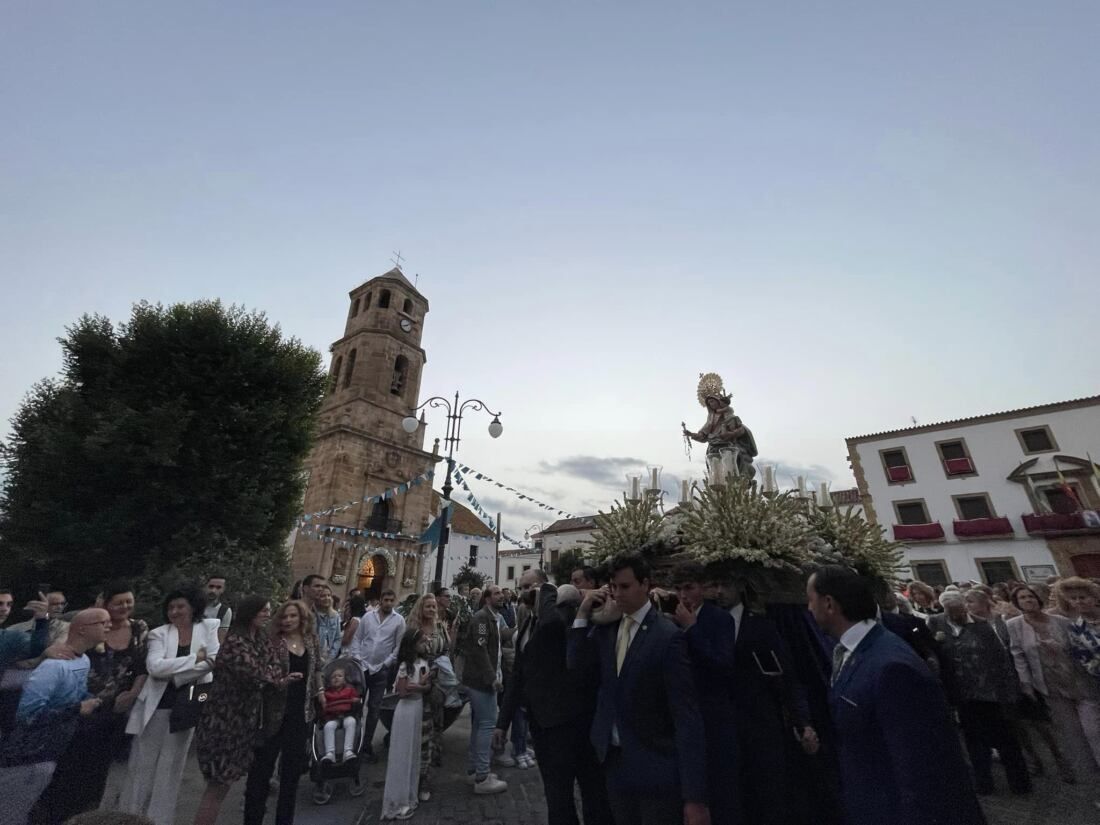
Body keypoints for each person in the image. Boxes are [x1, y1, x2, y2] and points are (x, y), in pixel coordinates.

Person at [807, 566, 985, 825]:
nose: (809, 609)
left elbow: (922, 770)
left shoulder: (891, 666)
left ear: (829, 603)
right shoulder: (857, 650)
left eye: (810, 601)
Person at [569, 553, 709, 825]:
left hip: (655, 768)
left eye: (625, 586)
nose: (618, 594)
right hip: (614, 762)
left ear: (645, 584)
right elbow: (576, 664)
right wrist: (583, 612)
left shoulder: (667, 637)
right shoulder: (608, 628)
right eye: (613, 587)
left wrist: (695, 796)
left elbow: (686, 715)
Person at [495, 568, 612, 825]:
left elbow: (551, 625)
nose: (524, 593)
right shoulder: (527, 623)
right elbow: (518, 675)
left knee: (589, 791)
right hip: (542, 723)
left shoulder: (560, 616)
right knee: (556, 794)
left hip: (568, 722)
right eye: (522, 587)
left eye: (529, 587)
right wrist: (502, 723)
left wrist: (546, 590)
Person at [32, 582, 149, 823]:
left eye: (128, 601)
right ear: (104, 603)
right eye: (118, 602)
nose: (124, 606)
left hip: (115, 711)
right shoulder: (90, 624)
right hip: (82, 708)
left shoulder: (139, 628)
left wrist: (133, 693)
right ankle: (50, 817)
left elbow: (142, 665)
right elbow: (62, 647)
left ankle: (84, 818)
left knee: (97, 775)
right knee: (67, 772)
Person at [712, 579, 814, 825]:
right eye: (714, 585)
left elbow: (786, 676)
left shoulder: (760, 626)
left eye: (725, 585)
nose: (718, 592)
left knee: (768, 801)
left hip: (760, 727)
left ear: (740, 586)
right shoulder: (706, 624)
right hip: (722, 732)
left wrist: (802, 721)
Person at [120, 585, 219, 825]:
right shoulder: (159, 633)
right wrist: (194, 659)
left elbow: (214, 661)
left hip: (189, 704)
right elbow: (155, 667)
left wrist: (177, 673)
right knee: (142, 765)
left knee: (171, 767)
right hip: (157, 705)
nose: (174, 611)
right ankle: (130, 817)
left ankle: (159, 819)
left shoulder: (208, 627)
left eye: (180, 606)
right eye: (171, 607)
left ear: (193, 607)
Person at [192, 596, 296, 825]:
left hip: (244, 721)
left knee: (224, 786)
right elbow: (259, 672)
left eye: (269, 611)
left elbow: (273, 664)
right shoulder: (235, 642)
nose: (268, 615)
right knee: (217, 786)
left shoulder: (258, 638)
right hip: (224, 720)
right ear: (251, 613)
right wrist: (277, 677)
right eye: (263, 611)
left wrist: (274, 673)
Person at [0, 608, 109, 825]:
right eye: (102, 622)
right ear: (81, 630)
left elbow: (75, 697)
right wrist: (77, 709)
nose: (109, 626)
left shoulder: (83, 660)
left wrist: (92, 699)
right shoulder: (53, 667)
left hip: (53, 752)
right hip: (27, 757)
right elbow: (27, 717)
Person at [929, 591, 1030, 795]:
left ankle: (1019, 783)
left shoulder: (981, 625)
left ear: (964, 607)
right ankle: (984, 783)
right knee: (975, 742)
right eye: (950, 612)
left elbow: (1000, 658)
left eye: (958, 610)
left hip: (992, 693)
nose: (954, 615)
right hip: (963, 695)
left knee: (1006, 739)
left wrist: (1009, 690)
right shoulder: (936, 623)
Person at [668, 562, 743, 825]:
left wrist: (692, 629)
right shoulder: (671, 619)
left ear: (703, 588)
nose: (683, 595)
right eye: (678, 589)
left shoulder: (719, 618)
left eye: (689, 588)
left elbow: (723, 665)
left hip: (714, 718)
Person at [1007, 585, 1100, 780]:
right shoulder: (1014, 625)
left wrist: (1058, 649)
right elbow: (1018, 655)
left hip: (1077, 680)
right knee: (1072, 734)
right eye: (1022, 598)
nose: (1027, 600)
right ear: (1016, 603)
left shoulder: (1062, 622)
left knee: (1093, 730)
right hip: (1049, 684)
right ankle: (1090, 777)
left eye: (1030, 596)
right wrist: (1026, 683)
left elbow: (1079, 647)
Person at [244, 599, 323, 824]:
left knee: (291, 775)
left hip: (300, 713)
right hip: (272, 714)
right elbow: (259, 673)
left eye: (293, 616)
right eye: (284, 616)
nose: (288, 620)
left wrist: (321, 692)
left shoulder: (311, 641)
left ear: (302, 619)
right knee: (260, 773)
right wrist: (280, 681)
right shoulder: (271, 642)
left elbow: (317, 669)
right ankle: (253, 818)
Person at [459, 585, 509, 794]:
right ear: (487, 599)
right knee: (488, 724)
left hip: (483, 680)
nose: (502, 596)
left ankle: (475, 770)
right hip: (481, 682)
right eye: (497, 593)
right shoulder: (481, 619)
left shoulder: (494, 618)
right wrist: (491, 678)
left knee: (480, 725)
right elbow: (479, 650)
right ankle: (482, 776)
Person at [381, 627, 434, 820]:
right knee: (402, 754)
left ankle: (411, 794)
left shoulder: (423, 662)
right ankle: (398, 800)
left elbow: (424, 687)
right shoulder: (405, 665)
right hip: (407, 710)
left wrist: (422, 686)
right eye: (422, 642)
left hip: (418, 709)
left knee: (414, 753)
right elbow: (402, 691)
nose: (426, 644)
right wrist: (419, 686)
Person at [349, 589, 406, 760]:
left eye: (391, 600)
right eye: (386, 600)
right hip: (362, 667)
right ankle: (352, 744)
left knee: (374, 709)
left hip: (381, 670)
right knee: (355, 706)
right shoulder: (368, 617)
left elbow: (398, 646)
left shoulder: (399, 620)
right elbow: (358, 638)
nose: (388, 603)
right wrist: (357, 658)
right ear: (380, 600)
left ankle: (366, 745)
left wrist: (387, 663)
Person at [406, 593, 451, 771]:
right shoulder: (413, 628)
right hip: (419, 674)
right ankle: (418, 754)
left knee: (436, 716)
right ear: (421, 609)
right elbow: (407, 652)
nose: (432, 610)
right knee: (421, 718)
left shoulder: (440, 626)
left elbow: (447, 648)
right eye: (428, 607)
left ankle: (433, 755)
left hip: (438, 675)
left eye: (434, 607)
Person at [1056, 577, 1100, 681]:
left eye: (1082, 597)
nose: (1078, 601)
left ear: (1095, 598)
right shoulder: (1075, 629)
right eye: (1073, 598)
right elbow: (1087, 662)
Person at [0, 593, 51, 668]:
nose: (5, 609)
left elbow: (37, 648)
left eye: (9, 604)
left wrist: (43, 618)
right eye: (0, 604)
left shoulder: (9, 638)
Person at [321, 667, 359, 762]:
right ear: (329, 682)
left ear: (344, 679)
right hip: (332, 717)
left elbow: (356, 699)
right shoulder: (327, 693)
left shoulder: (350, 690)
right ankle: (330, 753)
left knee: (351, 722)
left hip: (347, 715)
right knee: (328, 727)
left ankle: (348, 751)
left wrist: (355, 700)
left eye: (339, 676)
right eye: (333, 677)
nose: (336, 678)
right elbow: (323, 705)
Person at [313, 583, 342, 663]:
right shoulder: (312, 615)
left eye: (329, 595)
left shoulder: (335, 615)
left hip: (328, 659)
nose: (327, 598)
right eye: (323, 596)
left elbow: (337, 638)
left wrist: (331, 657)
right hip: (313, 658)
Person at [203, 575, 232, 644]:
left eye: (218, 587)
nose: (213, 590)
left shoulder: (225, 611)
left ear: (223, 590)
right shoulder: (194, 606)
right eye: (211, 586)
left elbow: (220, 638)